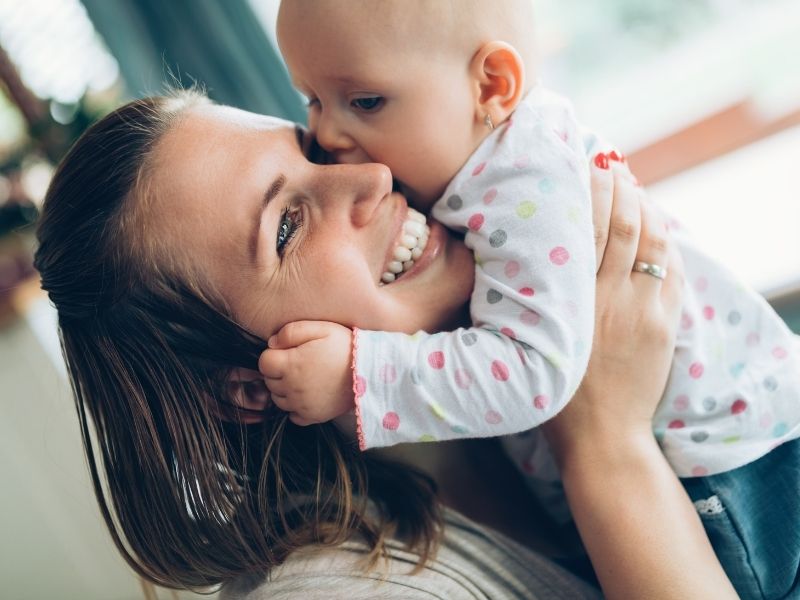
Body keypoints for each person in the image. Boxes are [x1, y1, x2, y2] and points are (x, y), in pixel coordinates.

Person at [34, 91, 737, 598]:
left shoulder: (519, 360)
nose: (370, 177)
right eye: (286, 227)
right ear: (247, 387)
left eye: (313, 151)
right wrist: (605, 444)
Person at [267, 2, 800, 594]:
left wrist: (361, 375)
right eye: (311, 100)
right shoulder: (480, 170)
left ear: (493, 85)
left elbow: (535, 371)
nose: (327, 135)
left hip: (735, 466)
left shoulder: (522, 184)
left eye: (364, 101)